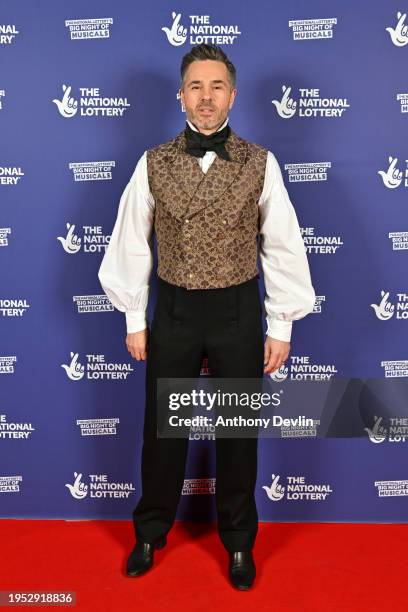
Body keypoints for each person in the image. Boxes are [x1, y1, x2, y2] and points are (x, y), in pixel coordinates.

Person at [98, 43, 316, 591]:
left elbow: (283, 246)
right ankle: (150, 533)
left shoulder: (261, 163)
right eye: (196, 86)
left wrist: (281, 323)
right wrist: (133, 317)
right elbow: (130, 242)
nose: (206, 97)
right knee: (162, 433)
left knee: (238, 437)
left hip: (238, 310)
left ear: (233, 95)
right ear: (181, 96)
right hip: (172, 309)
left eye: (216, 86)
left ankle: (240, 544)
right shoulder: (153, 162)